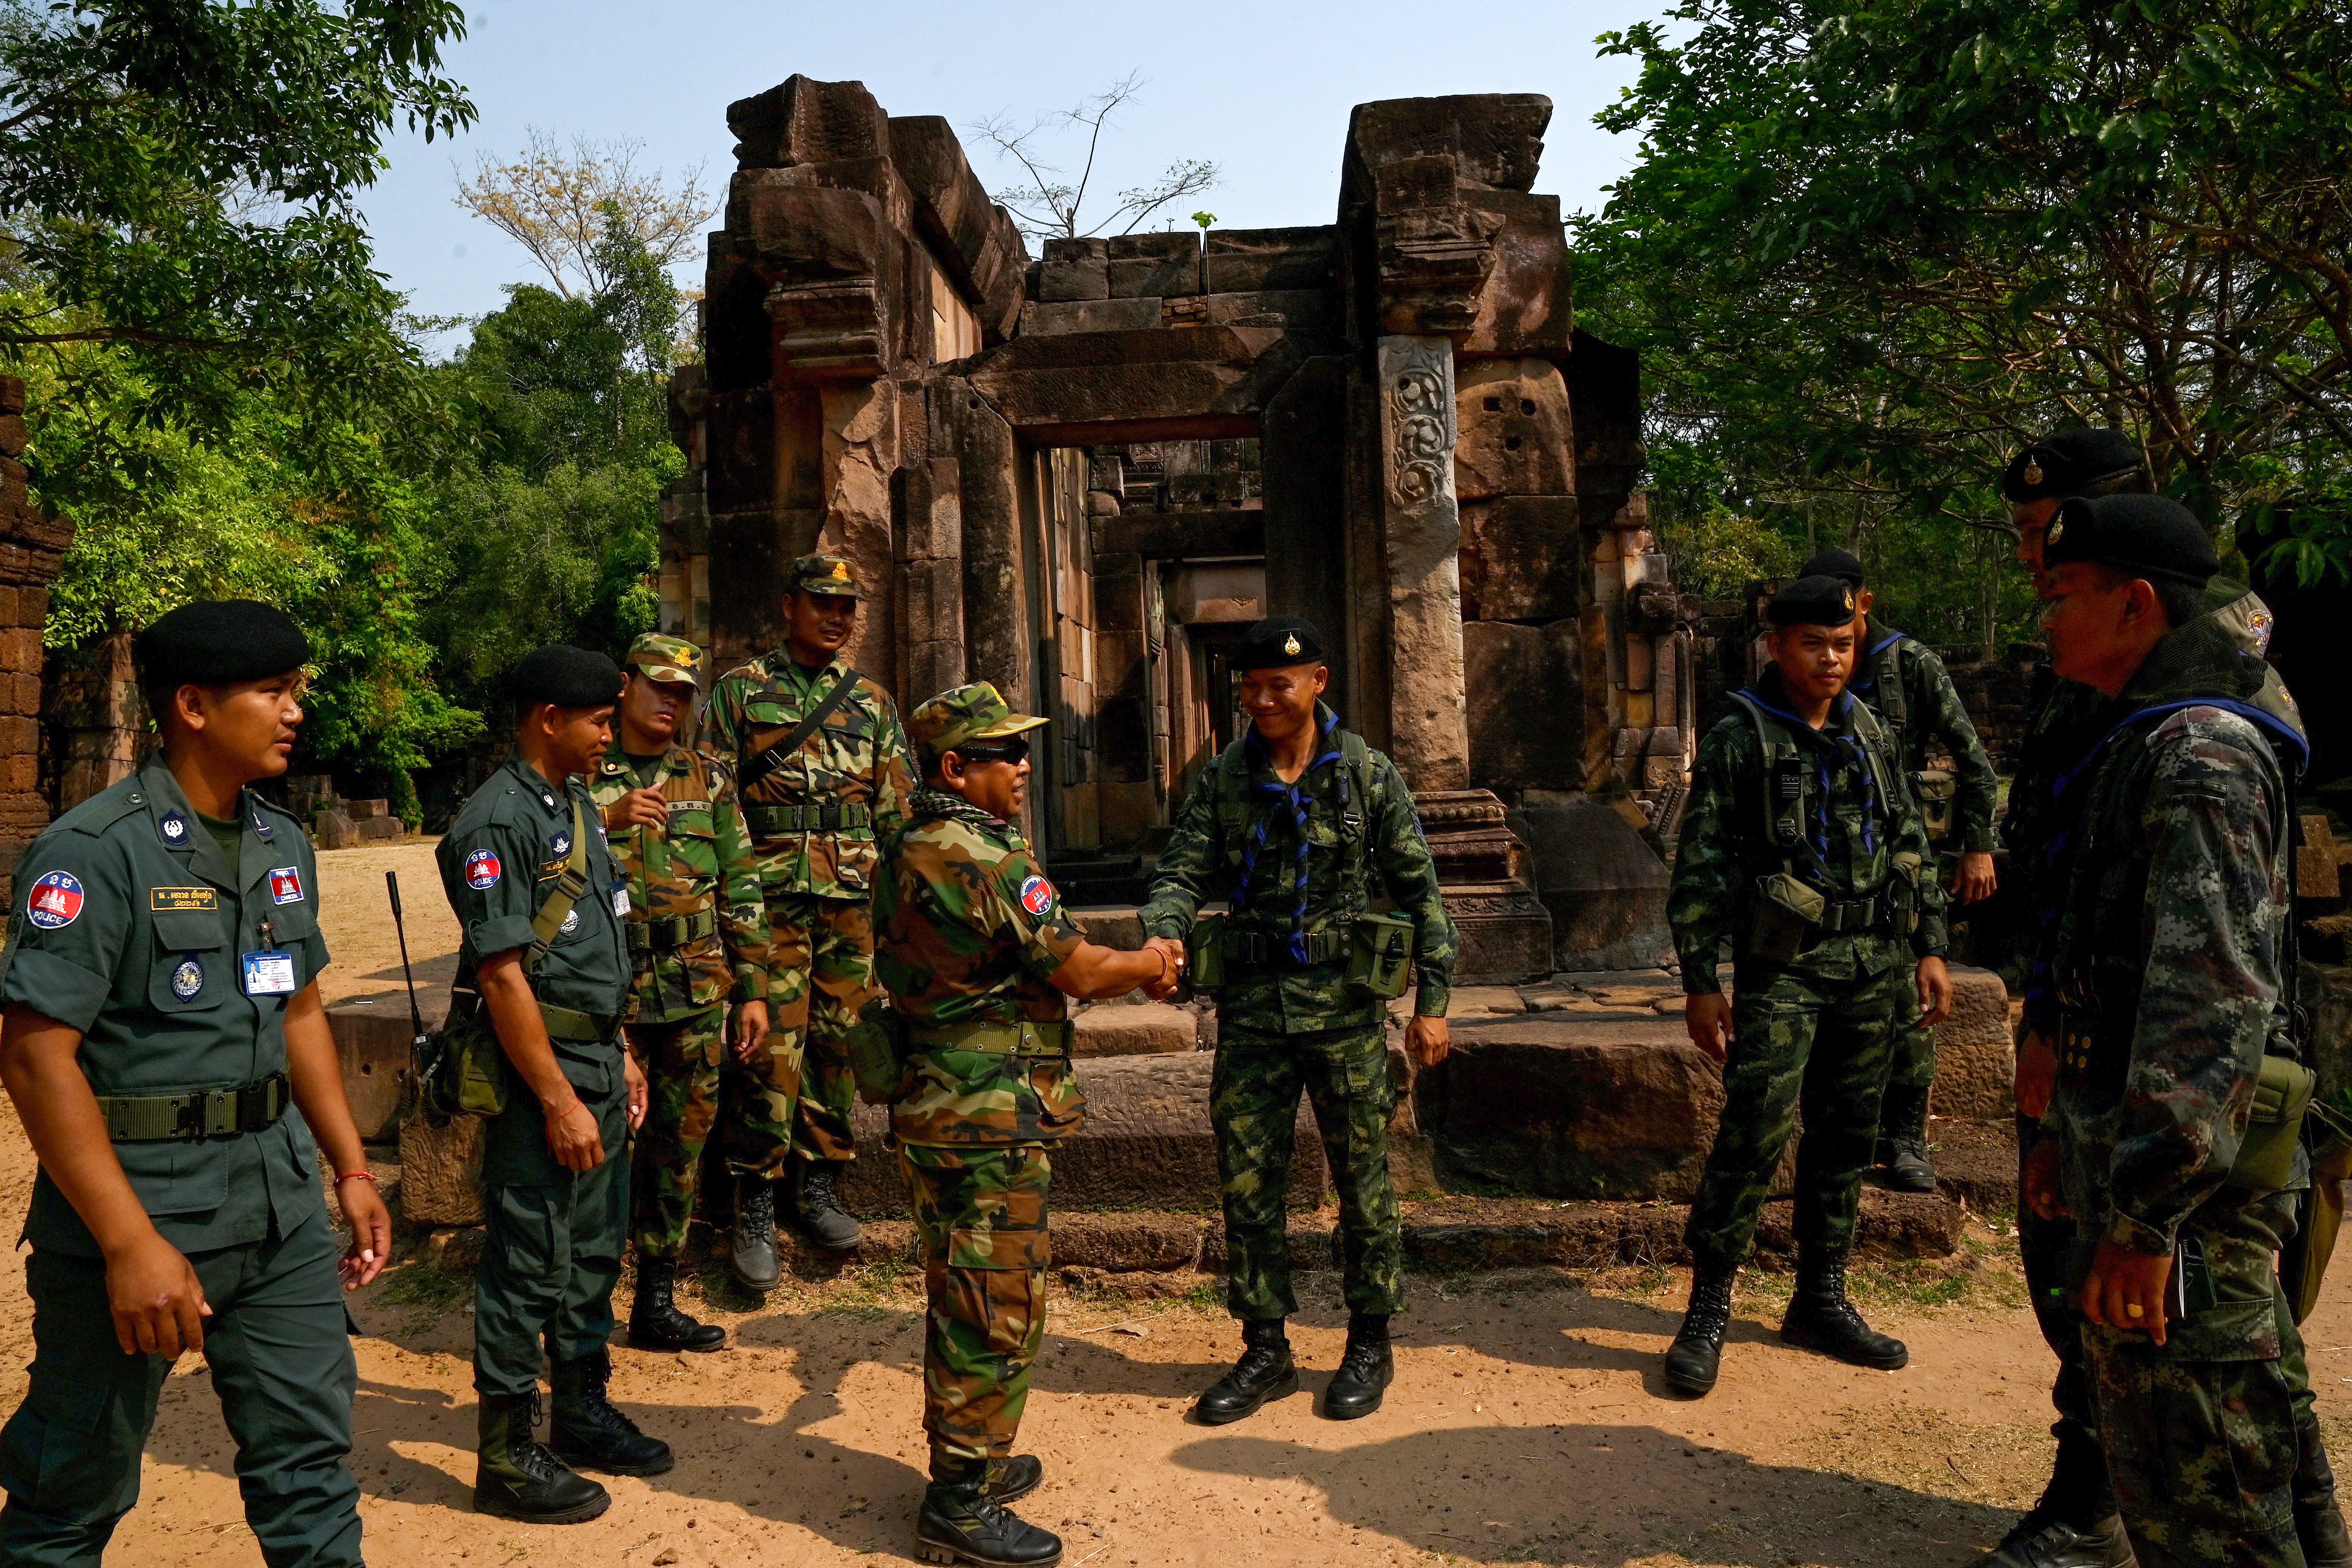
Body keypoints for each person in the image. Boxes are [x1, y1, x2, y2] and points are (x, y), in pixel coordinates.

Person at [1982, 430, 2344, 1568]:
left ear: (2138, 604)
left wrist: (2140, 1220)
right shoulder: (2145, 732)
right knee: (2241, 1447)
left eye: (2065, 590)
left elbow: (2208, 1006)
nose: (2042, 614)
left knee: (2210, 1497)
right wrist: (2065, 1139)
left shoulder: (2197, 756)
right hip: (2137, 1153)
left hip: (2181, 1191)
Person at [0, 599, 389, 1566]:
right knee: (70, 1493)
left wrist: (348, 1167)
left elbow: (299, 1011)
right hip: (137, 1219)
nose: (296, 710)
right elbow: (34, 1054)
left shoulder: (281, 843)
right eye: (273, 692)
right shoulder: (94, 853)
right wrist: (131, 1244)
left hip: (277, 1210)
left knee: (312, 1473)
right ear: (194, 706)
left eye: (295, 689)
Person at [872, 681, 1172, 1567]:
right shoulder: (982, 855)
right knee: (994, 1301)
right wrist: (1154, 960)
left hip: (940, 1098)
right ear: (955, 768)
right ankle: (959, 1502)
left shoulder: (911, 844)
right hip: (987, 1111)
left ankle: (978, 1462)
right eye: (1006, 752)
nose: (1024, 764)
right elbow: (1077, 969)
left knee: (963, 1285)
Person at [1138, 614, 1459, 1426]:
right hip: (1252, 1013)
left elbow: (1421, 892)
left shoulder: (1367, 776)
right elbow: (1183, 867)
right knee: (1248, 1184)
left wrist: (1434, 1004)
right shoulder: (1222, 779)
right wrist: (1165, 926)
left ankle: (1369, 1341)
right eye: (1248, 687)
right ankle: (1265, 1348)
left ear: (1318, 682)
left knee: (1364, 1181)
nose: (1262, 700)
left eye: (1279, 684)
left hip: (1346, 1012)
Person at [1663, 576, 1954, 1397]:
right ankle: (1710, 1305)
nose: (1831, 660)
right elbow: (1704, 864)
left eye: (1843, 645)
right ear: (1776, 646)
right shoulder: (1740, 736)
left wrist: (1931, 945)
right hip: (1786, 969)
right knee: (1754, 1133)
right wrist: (1700, 979)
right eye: (1813, 645)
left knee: (1847, 1137)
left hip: (1874, 965)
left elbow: (1909, 837)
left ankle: (1821, 1297)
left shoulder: (1869, 729)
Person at [438, 645, 667, 1525]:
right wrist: (561, 1099)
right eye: (601, 721)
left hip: (594, 1062)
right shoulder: (497, 821)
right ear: (548, 719)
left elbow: (588, 949)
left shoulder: (571, 804)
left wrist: (621, 1055)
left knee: (593, 1251)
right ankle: (505, 1456)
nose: (612, 736)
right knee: (529, 1259)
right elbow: (503, 977)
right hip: (545, 1077)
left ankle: (579, 1412)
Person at [704, 553, 914, 1278]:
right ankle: (754, 1194)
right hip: (770, 904)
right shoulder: (738, 693)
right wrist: (732, 904)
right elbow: (714, 804)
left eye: (848, 607)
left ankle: (818, 1182)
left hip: (851, 906)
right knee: (766, 1050)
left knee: (839, 1045)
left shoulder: (873, 702)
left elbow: (898, 811)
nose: (837, 616)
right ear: (789, 605)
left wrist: (912, 909)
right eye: (823, 602)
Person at [1794, 547, 1999, 1195]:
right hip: (1820, 859)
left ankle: (1905, 1136)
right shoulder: (1801, 660)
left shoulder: (1910, 664)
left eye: (1844, 612)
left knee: (1914, 995)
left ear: (1865, 603)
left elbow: (1972, 759)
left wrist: (1978, 846)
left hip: (1901, 858)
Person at [588, 633, 773, 1353]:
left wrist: (753, 988)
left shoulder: (710, 779)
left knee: (680, 1149)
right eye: (660, 686)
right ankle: (586, 1306)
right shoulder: (582, 778)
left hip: (696, 992)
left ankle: (656, 1303)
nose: (672, 701)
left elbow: (742, 888)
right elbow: (537, 860)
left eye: (684, 692)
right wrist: (604, 822)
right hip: (611, 998)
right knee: (603, 1152)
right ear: (626, 685)